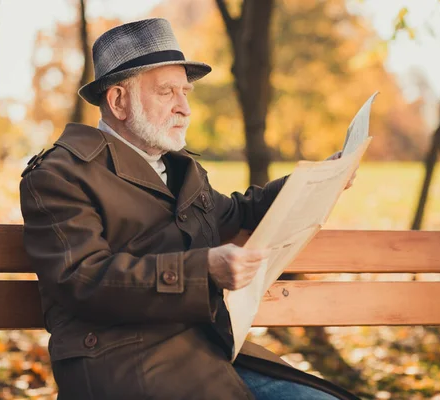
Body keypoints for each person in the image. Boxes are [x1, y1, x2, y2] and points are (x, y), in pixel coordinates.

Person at [20, 18, 359, 400]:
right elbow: (81, 279)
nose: (184, 108)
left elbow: (239, 213)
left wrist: (318, 180)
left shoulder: (181, 169)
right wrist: (204, 270)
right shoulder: (60, 174)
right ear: (118, 100)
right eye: (167, 92)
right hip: (122, 367)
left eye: (186, 92)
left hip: (206, 353)